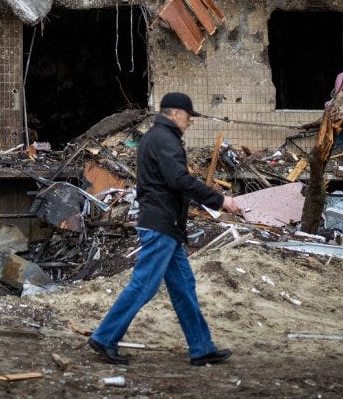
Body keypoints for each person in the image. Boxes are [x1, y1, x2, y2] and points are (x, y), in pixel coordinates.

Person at [87, 92, 243, 367]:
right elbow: (178, 179)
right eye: (188, 116)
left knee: (184, 287)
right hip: (161, 224)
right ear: (174, 114)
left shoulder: (155, 137)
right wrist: (220, 200)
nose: (190, 122)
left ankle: (201, 348)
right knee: (144, 286)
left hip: (165, 225)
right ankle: (104, 337)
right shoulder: (165, 139)